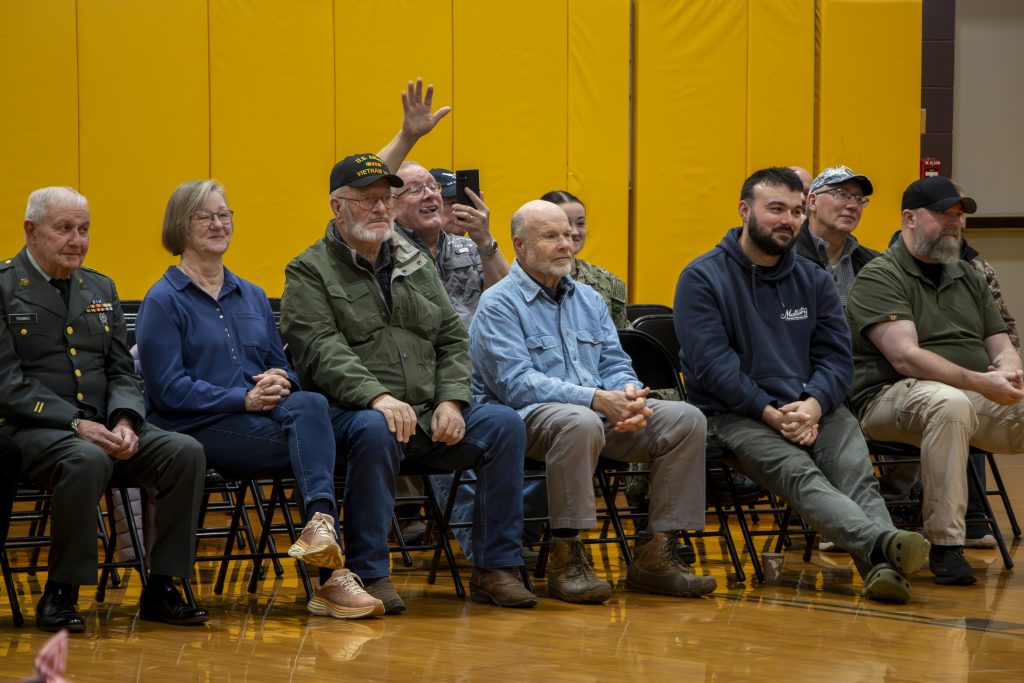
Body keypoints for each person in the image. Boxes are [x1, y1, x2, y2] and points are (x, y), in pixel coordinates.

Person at [280, 153, 536, 613]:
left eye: (386, 198)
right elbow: (319, 349)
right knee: (374, 429)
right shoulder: (308, 270)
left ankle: (496, 567)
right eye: (367, 200)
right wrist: (376, 397)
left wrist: (453, 401)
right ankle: (370, 572)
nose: (380, 208)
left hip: (427, 415)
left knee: (503, 424)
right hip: (353, 416)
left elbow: (453, 339)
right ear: (338, 207)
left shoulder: (415, 261)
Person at [674, 167, 929, 604]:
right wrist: (770, 411)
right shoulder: (701, 278)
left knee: (857, 476)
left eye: (794, 210)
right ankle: (885, 545)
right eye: (775, 209)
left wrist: (813, 405)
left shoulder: (812, 279)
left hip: (816, 407)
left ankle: (883, 565)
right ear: (744, 210)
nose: (787, 220)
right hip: (734, 413)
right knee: (801, 476)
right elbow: (713, 366)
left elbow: (835, 357)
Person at [135, 180, 384, 619]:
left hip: (262, 418)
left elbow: (282, 364)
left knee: (311, 404)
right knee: (319, 435)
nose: (219, 224)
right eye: (206, 216)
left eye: (225, 214)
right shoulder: (162, 300)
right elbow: (167, 390)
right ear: (180, 225)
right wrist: (243, 398)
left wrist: (278, 378)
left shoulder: (249, 293)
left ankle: (321, 531)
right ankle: (330, 576)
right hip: (194, 427)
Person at [472, 199, 715, 603]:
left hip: (598, 413)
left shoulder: (588, 299)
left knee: (686, 419)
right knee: (578, 422)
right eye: (550, 236)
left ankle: (658, 552)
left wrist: (629, 394)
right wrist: (598, 400)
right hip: (525, 421)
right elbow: (517, 384)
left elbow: (615, 362)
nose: (565, 244)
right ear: (519, 244)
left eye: (568, 234)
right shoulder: (498, 303)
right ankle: (567, 556)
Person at [0, 186, 208, 632]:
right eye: (65, 229)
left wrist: (127, 420)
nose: (77, 240)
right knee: (85, 458)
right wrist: (77, 424)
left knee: (184, 452)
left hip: (105, 425)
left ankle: (164, 586)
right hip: (32, 429)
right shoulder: (4, 287)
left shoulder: (100, 286)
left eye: (84, 229)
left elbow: (121, 371)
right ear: (31, 231)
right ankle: (61, 593)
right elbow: (7, 383)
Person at [846, 175, 1024, 586]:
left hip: (968, 396)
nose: (955, 223)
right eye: (943, 214)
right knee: (948, 402)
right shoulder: (881, 275)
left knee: (955, 402)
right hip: (885, 399)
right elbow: (905, 358)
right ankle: (945, 545)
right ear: (909, 218)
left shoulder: (969, 275)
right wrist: (982, 383)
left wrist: (1008, 373)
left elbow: (1002, 344)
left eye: (959, 216)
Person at [394, 162, 508, 329]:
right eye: (414, 190)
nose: (429, 194)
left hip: (477, 349)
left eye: (433, 187)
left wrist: (485, 240)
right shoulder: (383, 252)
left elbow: (509, 300)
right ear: (391, 204)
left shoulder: (469, 247)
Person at [539, 190, 630, 330]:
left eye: (580, 223)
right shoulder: (528, 280)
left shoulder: (608, 282)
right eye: (566, 223)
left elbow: (623, 340)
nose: (575, 232)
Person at [794, 165, 879, 306]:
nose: (853, 205)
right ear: (813, 201)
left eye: (859, 198)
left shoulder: (872, 263)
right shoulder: (784, 257)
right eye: (841, 194)